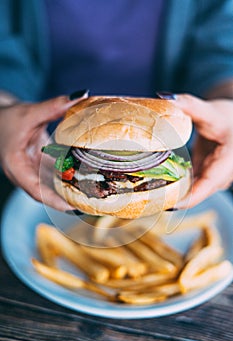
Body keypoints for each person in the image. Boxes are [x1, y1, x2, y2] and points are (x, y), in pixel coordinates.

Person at [0, 0, 233, 212]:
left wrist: (227, 105)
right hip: (34, 149)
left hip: (193, 149)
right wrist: (4, 111)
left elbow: (221, 50)